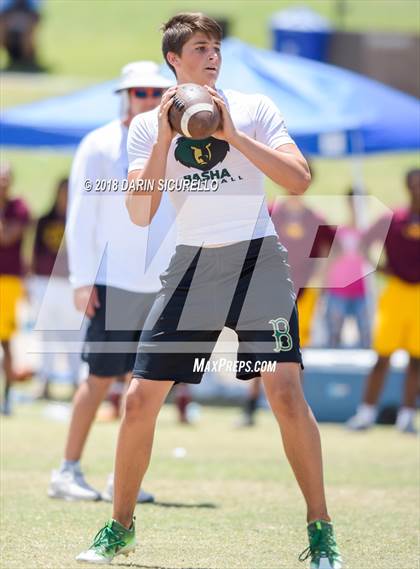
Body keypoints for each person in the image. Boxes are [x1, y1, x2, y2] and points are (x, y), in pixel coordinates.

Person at [77, 14, 342, 569]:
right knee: (138, 398)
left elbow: (298, 178)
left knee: (286, 392)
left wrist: (232, 134)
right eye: (201, 48)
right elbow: (139, 208)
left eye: (216, 47)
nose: (213, 55)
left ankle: (321, 532)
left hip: (257, 262)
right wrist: (167, 135)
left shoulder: (253, 108)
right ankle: (118, 527)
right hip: (193, 265)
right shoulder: (147, 127)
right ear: (175, 60)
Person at [48, 61, 174, 503]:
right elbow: (80, 217)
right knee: (100, 377)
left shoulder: (175, 144)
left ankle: (124, 479)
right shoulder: (99, 144)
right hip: (112, 281)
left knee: (145, 385)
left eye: (156, 92)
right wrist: (83, 280)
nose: (148, 99)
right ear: (125, 95)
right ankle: (67, 470)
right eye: (139, 92)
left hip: (159, 284)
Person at [237, 188, 335, 427]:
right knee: (259, 347)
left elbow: (329, 249)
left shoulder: (315, 218)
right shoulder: (269, 212)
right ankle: (251, 407)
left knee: (294, 352)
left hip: (301, 294)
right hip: (266, 291)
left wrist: (317, 279)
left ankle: (295, 407)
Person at [347, 169, 420, 433]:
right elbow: (365, 243)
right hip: (396, 292)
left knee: (416, 360)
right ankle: (365, 414)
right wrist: (379, 266)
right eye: (415, 185)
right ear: (407, 187)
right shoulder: (395, 218)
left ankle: (407, 417)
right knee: (382, 356)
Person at [30, 177, 82, 399]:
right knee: (47, 335)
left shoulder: (80, 220)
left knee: (74, 336)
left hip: (71, 284)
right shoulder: (45, 220)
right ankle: (44, 381)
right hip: (45, 283)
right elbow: (35, 252)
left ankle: (77, 382)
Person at [0, 163, 30, 415]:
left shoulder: (18, 207)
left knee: (5, 340)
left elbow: (8, 237)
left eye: (5, 178)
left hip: (7, 281)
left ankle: (7, 397)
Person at [324, 189, 370, 349]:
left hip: (362, 290)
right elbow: (327, 260)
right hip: (338, 290)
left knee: (366, 335)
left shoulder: (368, 232)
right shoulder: (338, 231)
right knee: (334, 335)